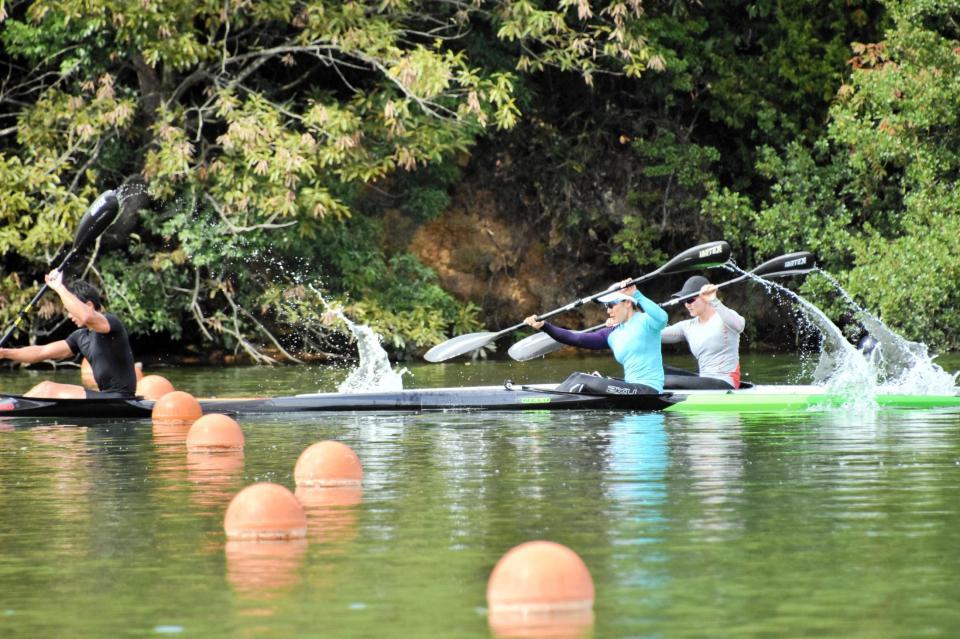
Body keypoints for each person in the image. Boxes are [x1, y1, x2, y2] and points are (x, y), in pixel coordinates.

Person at [0, 270, 137, 399]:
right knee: (45, 388)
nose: (70, 316)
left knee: (48, 389)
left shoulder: (111, 323)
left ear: (89, 305)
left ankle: (10, 410)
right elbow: (41, 352)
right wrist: (5, 353)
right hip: (106, 398)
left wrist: (58, 287)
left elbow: (85, 317)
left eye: (71, 310)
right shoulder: (80, 337)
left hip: (121, 398)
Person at [524, 281, 668, 393]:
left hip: (649, 390)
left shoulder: (647, 322)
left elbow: (663, 317)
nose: (608, 310)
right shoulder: (612, 333)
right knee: (579, 377)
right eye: (606, 306)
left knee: (580, 379)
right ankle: (555, 398)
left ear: (628, 303)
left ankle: (549, 402)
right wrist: (544, 326)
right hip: (630, 388)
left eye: (611, 305)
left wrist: (636, 294)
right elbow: (575, 339)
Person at [661, 275, 745, 389]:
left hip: (726, 382)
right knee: (657, 370)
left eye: (690, 300)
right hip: (705, 380)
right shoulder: (687, 327)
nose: (687, 305)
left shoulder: (723, 317)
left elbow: (740, 326)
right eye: (684, 301)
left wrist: (714, 300)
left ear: (704, 298)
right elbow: (653, 335)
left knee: (665, 380)